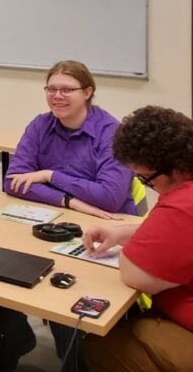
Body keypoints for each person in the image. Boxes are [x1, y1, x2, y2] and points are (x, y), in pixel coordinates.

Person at [0, 60, 136, 372]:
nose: (57, 96)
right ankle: (14, 337)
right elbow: (13, 181)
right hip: (48, 221)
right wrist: (70, 200)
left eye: (67, 89)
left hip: (107, 229)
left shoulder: (111, 132)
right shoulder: (41, 124)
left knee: (66, 293)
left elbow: (109, 196)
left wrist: (48, 175)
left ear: (88, 92)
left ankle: (72, 359)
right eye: (51, 89)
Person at [82, 105, 193, 372]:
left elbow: (136, 275)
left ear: (173, 168)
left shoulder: (183, 203)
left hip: (183, 324)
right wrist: (126, 233)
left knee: (97, 346)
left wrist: (133, 245)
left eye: (145, 178)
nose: (148, 186)